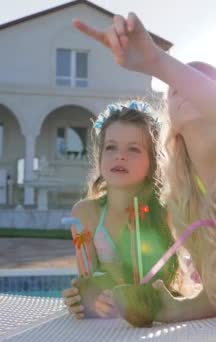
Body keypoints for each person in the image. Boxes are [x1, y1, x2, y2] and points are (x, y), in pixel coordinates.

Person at [73, 13, 216, 317]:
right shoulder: (185, 199)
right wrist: (165, 309)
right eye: (174, 85)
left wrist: (156, 62)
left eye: (197, 82)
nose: (180, 84)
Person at [61, 101, 180, 320]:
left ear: (153, 161)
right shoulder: (85, 214)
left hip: (157, 319)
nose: (120, 156)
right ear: (100, 156)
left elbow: (173, 281)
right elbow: (89, 277)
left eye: (133, 149)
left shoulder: (167, 213)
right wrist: (84, 298)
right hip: (109, 325)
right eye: (111, 147)